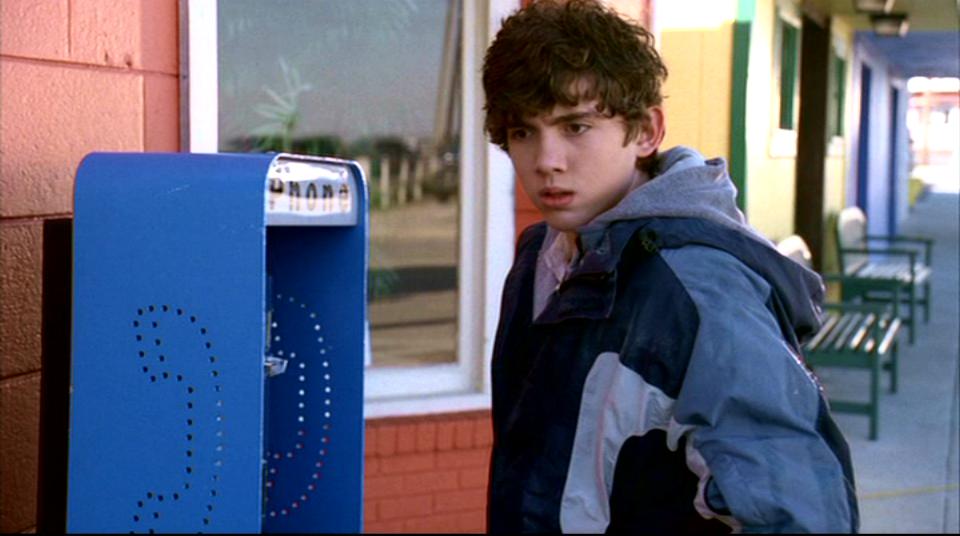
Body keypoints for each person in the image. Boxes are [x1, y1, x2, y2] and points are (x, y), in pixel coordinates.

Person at [481, 0, 859, 533]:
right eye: (523, 132)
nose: (547, 161)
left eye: (576, 127)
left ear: (646, 131)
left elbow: (800, 514)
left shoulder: (698, 285)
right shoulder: (539, 255)